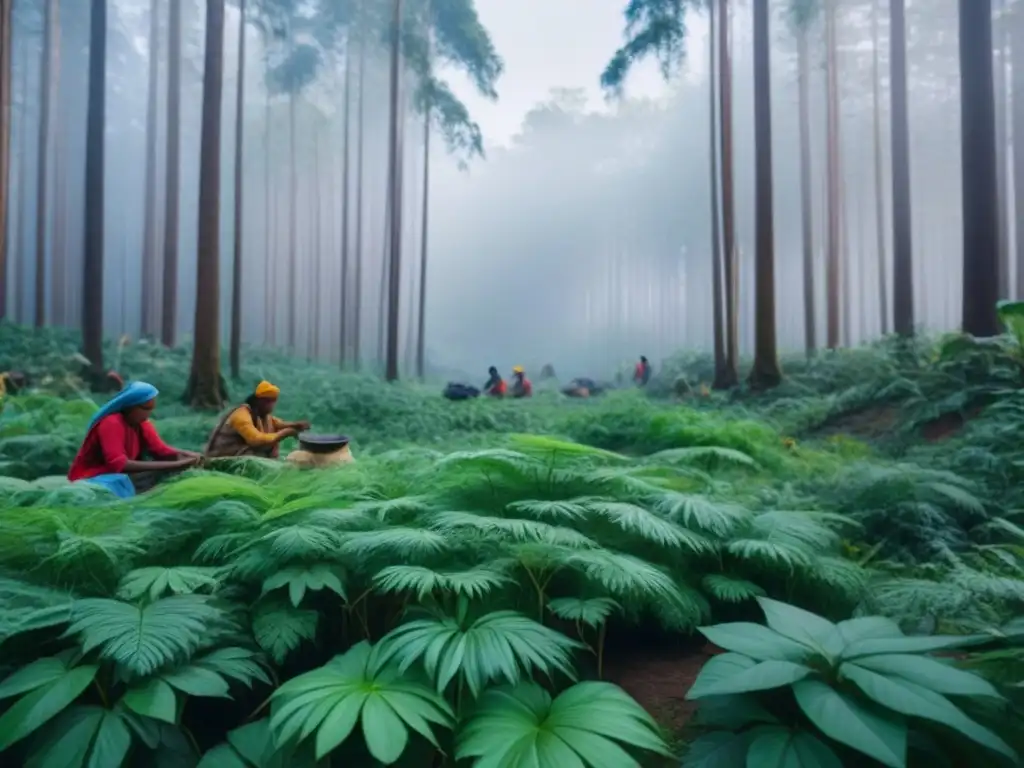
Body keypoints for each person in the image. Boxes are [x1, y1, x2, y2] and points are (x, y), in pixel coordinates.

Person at [68, 381, 200, 498]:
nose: (147, 414)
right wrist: (175, 465)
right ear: (130, 406)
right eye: (144, 408)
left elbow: (160, 450)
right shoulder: (111, 423)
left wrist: (188, 455)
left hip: (123, 476)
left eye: (151, 409)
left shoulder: (142, 424)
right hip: (97, 478)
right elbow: (119, 464)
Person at [203, 380, 310, 460]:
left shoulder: (261, 415)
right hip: (225, 455)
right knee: (257, 452)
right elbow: (255, 440)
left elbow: (277, 423)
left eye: (274, 401)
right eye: (270, 402)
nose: (272, 406)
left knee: (272, 441)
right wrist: (286, 433)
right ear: (260, 401)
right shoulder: (242, 415)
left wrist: (295, 425)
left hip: (240, 454)